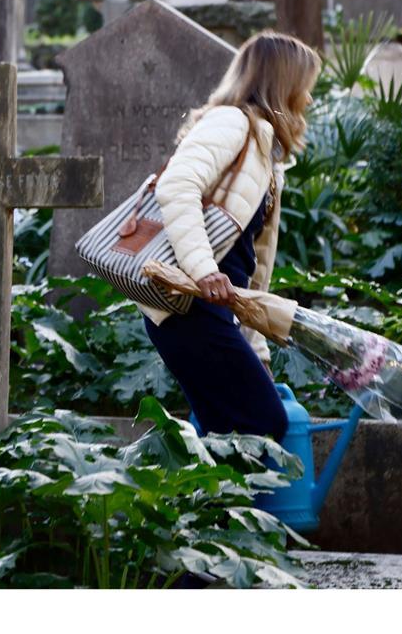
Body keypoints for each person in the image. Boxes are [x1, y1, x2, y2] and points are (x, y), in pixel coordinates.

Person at [138, 31, 322, 442]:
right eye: (305, 88)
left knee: (226, 429)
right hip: (188, 305)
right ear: (283, 85)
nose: (308, 100)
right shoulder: (231, 122)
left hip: (211, 308)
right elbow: (176, 185)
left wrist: (255, 351)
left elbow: (250, 267)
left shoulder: (265, 153)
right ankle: (219, 506)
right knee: (263, 423)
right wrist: (203, 271)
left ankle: (202, 506)